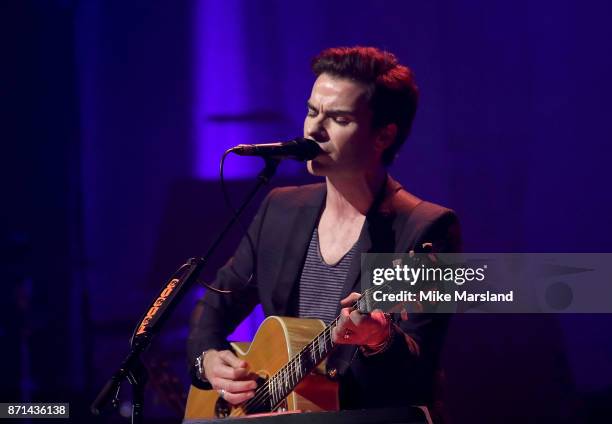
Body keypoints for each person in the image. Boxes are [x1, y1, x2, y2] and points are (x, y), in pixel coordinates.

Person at [187, 46, 461, 411]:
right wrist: (208, 359)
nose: (314, 129)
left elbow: (417, 372)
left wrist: (379, 340)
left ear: (383, 135)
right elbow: (215, 305)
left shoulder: (425, 229)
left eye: (339, 119)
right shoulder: (281, 209)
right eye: (312, 111)